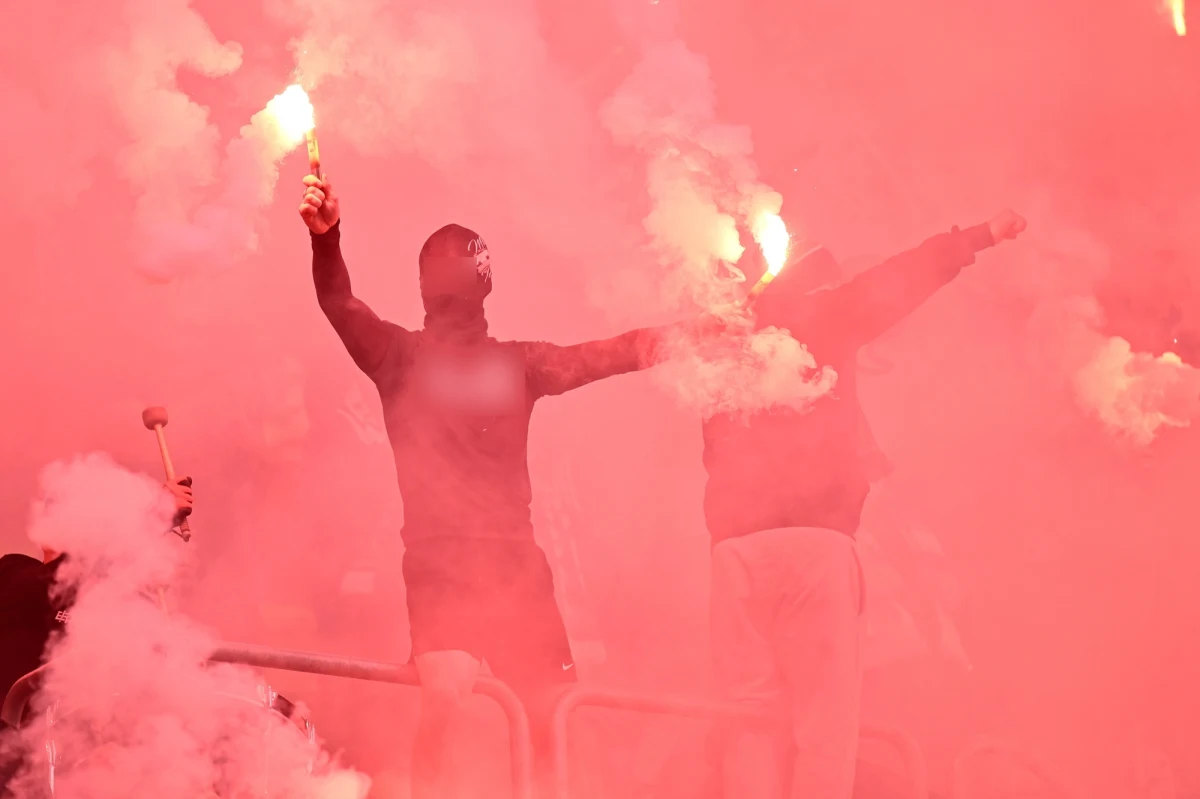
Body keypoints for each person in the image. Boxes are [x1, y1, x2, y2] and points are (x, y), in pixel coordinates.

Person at [298, 175, 677, 798]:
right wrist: (325, 239)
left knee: (549, 712)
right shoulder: (408, 357)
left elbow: (614, 353)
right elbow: (618, 351)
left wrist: (326, 239)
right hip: (445, 565)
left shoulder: (501, 362)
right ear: (485, 281)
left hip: (510, 569)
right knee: (483, 703)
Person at [703, 210, 1027, 799]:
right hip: (813, 545)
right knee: (825, 729)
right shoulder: (824, 318)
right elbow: (904, 277)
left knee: (747, 722)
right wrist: (980, 236)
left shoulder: (721, 347)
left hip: (733, 552)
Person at [0, 477, 194, 722]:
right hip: (11, 745)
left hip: (76, 747)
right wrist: (153, 520)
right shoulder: (12, 571)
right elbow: (53, 582)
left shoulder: (111, 601)